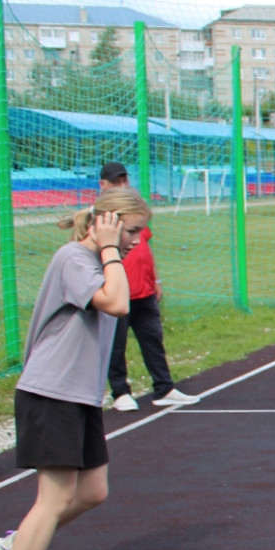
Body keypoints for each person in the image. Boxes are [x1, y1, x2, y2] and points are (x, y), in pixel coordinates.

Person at [0, 187, 150, 550]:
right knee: (54, 499)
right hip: (51, 392)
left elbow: (120, 299)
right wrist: (112, 247)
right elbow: (116, 304)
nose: (137, 241)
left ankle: (19, 543)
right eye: (131, 231)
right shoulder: (75, 259)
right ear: (109, 223)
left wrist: (112, 250)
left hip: (78, 395)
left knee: (93, 492)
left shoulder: (96, 261)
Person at [98, 162, 199, 412]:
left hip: (144, 290)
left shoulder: (135, 214)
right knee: (116, 344)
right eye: (116, 181)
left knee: (153, 338)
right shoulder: (103, 218)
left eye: (125, 180)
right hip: (118, 292)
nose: (123, 185)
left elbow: (145, 248)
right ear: (103, 185)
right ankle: (120, 392)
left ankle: (164, 388)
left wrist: (156, 280)